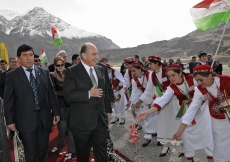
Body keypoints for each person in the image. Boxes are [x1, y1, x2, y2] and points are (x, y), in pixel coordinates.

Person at [137, 64, 213, 162]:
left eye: (173, 75)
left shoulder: (191, 78)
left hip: (202, 111)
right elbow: (162, 100)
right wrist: (147, 113)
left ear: (180, 73)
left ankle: (211, 158)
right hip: (186, 111)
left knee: (207, 135)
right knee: (187, 135)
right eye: (169, 76)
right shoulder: (172, 87)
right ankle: (190, 159)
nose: (171, 78)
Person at [4, 44, 60, 162]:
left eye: (30, 55)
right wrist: (9, 120)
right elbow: (8, 100)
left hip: (44, 119)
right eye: (25, 55)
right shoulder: (12, 76)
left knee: (43, 149)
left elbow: (51, 94)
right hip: (25, 120)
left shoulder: (44, 72)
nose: (29, 58)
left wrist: (56, 112)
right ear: (19, 58)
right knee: (30, 150)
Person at [63, 43, 112, 162]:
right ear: (84, 55)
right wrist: (89, 94)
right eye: (93, 54)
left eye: (97, 54)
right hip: (82, 123)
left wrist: (108, 109)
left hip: (100, 120)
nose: (97, 57)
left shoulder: (100, 69)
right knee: (83, 155)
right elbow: (68, 96)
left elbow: (104, 91)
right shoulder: (71, 72)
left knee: (102, 153)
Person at [172, 65, 229, 162]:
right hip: (218, 121)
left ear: (210, 76)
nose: (198, 83)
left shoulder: (227, 81)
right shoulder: (199, 90)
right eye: (197, 80)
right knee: (221, 148)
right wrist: (179, 131)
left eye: (201, 80)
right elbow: (192, 110)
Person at [50, 56, 75, 156]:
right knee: (63, 127)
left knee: (72, 127)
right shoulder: (52, 75)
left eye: (62, 64)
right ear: (54, 66)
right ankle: (60, 143)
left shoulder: (69, 73)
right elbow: (52, 91)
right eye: (58, 65)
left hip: (71, 104)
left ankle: (72, 150)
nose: (60, 67)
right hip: (60, 105)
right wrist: (65, 93)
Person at [129, 62, 149, 130]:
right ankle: (139, 125)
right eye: (131, 71)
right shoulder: (134, 80)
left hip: (153, 96)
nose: (133, 73)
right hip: (144, 97)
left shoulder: (148, 75)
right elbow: (135, 92)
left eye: (134, 71)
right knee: (141, 111)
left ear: (140, 69)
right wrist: (133, 103)